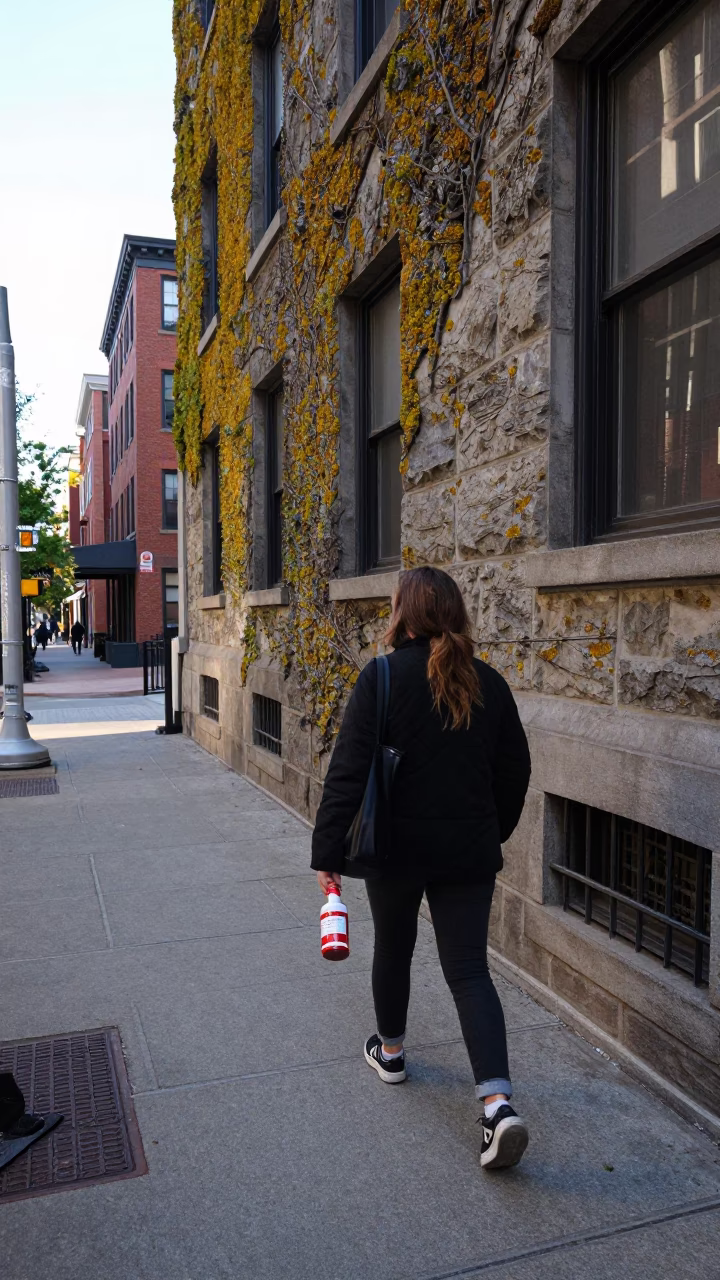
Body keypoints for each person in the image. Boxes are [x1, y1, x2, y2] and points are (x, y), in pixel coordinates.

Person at [312, 567, 532, 1171]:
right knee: (468, 971)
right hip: (468, 853)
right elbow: (515, 774)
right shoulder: (490, 683)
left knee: (394, 947)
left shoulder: (382, 677)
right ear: (455, 612)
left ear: (403, 614)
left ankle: (392, 1053)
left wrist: (327, 855)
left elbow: (347, 775)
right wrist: (493, 830)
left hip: (394, 849)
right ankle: (496, 1105)